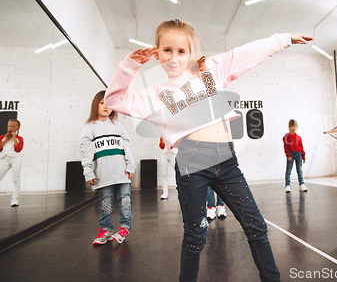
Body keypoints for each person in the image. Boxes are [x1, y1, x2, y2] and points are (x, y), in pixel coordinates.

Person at [105, 18, 312, 282]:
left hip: (225, 159)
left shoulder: (211, 69)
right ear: (156, 53)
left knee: (256, 227)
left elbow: (248, 53)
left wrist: (284, 39)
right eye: (167, 50)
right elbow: (114, 99)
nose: (174, 57)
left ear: (191, 52)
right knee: (195, 235)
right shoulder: (154, 94)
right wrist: (130, 66)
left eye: (181, 51)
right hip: (192, 163)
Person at [80, 90, 136, 245]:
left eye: (110, 103)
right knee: (106, 201)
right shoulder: (88, 128)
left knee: (125, 200)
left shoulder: (118, 127)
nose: (106, 106)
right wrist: (88, 171)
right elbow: (86, 153)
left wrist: (130, 166)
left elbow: (127, 148)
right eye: (102, 103)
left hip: (121, 171)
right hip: (102, 173)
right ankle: (105, 229)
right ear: (95, 104)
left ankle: (125, 227)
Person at [0, 119, 24, 207]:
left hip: (15, 160)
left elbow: (18, 149)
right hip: (5, 160)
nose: (10, 128)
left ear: (18, 128)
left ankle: (15, 200)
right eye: (9, 126)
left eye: (13, 126)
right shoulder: (2, 137)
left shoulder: (20, 139)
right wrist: (5, 140)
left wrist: (14, 137)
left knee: (16, 179)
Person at [283, 119, 307, 193]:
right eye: (291, 126)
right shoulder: (287, 136)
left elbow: (301, 147)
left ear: (297, 127)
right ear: (289, 127)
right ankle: (287, 185)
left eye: (294, 126)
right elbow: (286, 146)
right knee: (288, 170)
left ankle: (301, 184)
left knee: (299, 170)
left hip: (299, 154)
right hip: (291, 154)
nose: (293, 128)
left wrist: (303, 156)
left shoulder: (299, 137)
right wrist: (288, 155)